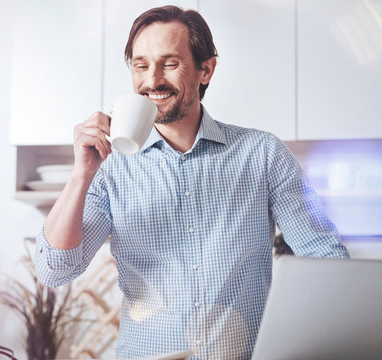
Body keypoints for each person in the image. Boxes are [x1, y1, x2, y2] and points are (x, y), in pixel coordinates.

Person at [34, 5, 349, 359]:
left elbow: (326, 259)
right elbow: (54, 270)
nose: (152, 80)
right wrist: (81, 174)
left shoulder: (263, 154)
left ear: (206, 69)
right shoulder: (110, 168)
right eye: (140, 65)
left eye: (169, 63)